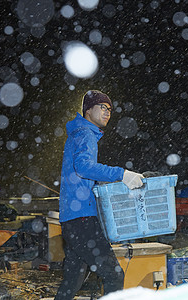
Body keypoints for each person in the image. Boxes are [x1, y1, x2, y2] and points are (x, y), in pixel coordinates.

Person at [56, 90, 144, 299]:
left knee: (72, 281)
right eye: (102, 107)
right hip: (82, 220)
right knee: (114, 275)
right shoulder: (85, 133)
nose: (107, 113)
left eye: (110, 109)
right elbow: (84, 167)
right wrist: (121, 174)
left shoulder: (80, 132)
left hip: (73, 218)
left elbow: (84, 174)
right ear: (88, 110)